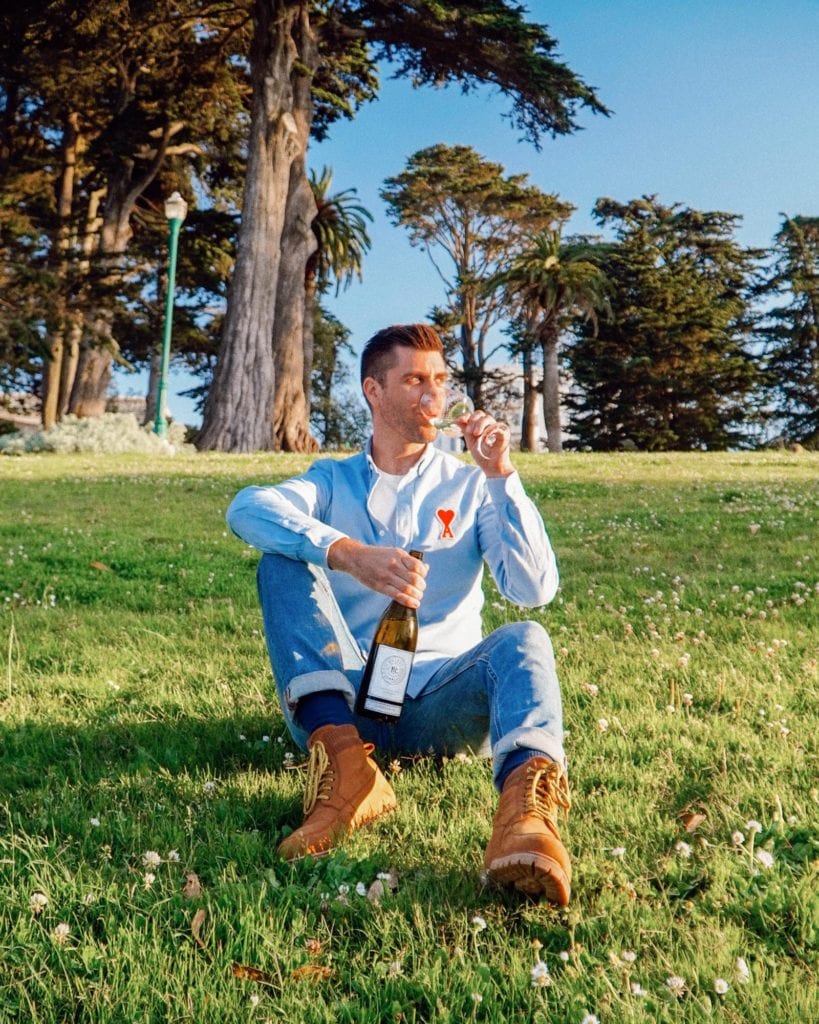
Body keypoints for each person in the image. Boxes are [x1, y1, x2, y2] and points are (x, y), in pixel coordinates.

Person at [226, 324, 572, 905]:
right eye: (414, 379)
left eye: (439, 379)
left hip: (440, 699)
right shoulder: (330, 481)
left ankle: (525, 817)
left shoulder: (470, 485)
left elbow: (534, 588)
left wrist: (501, 477)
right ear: (373, 391)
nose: (432, 395)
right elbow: (247, 509)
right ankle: (349, 776)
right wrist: (348, 554)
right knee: (279, 563)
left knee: (526, 637)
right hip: (344, 700)